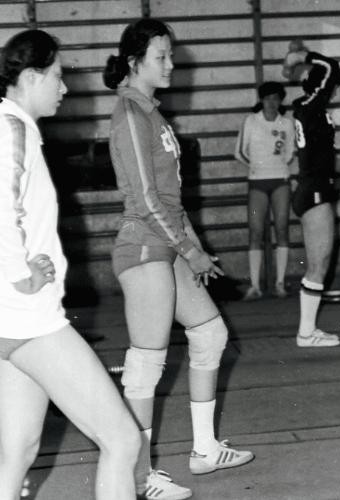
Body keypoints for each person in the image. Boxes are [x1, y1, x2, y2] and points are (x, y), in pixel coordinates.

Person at [0, 30, 142, 500]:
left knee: (18, 452)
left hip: (1, 317)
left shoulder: (2, 129)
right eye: (57, 76)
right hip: (28, 320)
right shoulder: (11, 133)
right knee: (122, 440)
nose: (64, 87)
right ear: (31, 76)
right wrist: (19, 273)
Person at [102, 18, 253, 500]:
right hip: (144, 247)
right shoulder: (130, 113)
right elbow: (147, 199)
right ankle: (138, 477)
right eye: (161, 57)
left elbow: (172, 199)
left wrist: (194, 248)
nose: (170, 64)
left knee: (210, 334)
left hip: (166, 245)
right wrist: (187, 249)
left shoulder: (154, 114)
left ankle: (205, 450)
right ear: (134, 62)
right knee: (147, 364)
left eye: (171, 55)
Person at [281, 41, 340, 347]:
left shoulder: (309, 108)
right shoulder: (311, 106)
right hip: (315, 191)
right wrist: (298, 58)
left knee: (319, 264)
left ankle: (308, 331)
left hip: (315, 189)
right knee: (318, 265)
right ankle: (306, 333)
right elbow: (330, 67)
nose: (336, 92)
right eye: (333, 88)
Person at [234, 81, 297, 300]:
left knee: (282, 229)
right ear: (261, 100)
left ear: (280, 101)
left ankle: (279, 283)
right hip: (257, 183)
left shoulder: (287, 123)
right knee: (255, 231)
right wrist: (257, 167)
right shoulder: (251, 121)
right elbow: (239, 152)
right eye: (268, 98)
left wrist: (279, 167)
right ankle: (254, 286)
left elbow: (290, 151)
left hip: (280, 181)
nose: (271, 102)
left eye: (276, 98)